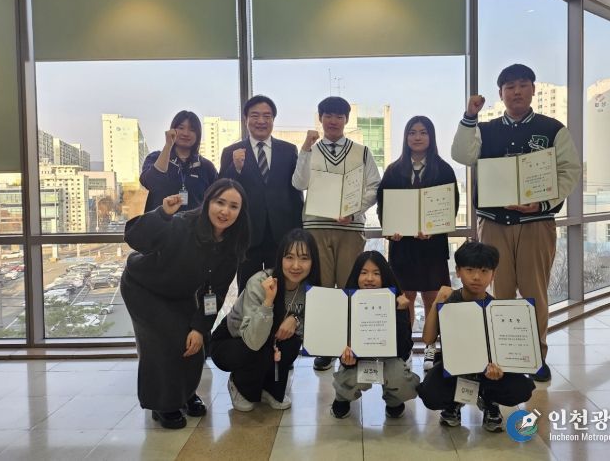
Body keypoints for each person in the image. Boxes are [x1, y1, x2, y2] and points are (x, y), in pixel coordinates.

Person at [451, 64, 581, 381]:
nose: (517, 91)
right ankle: (503, 356)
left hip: (537, 223)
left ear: (533, 89)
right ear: (501, 94)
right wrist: (469, 116)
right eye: (509, 87)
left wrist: (543, 203)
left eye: (523, 84)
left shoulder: (553, 129)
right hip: (493, 224)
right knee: (500, 293)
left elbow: (569, 171)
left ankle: (536, 356)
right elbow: (461, 155)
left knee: (535, 292)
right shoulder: (486, 129)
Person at [120, 178, 250, 429]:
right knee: (163, 342)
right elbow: (134, 237)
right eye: (220, 202)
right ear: (208, 202)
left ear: (240, 212)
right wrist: (162, 214)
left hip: (179, 293)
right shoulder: (181, 224)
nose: (225, 211)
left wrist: (200, 328)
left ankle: (185, 393)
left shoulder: (231, 247)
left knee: (193, 342)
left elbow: (216, 294)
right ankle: (163, 404)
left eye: (233, 206)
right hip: (143, 288)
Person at [292, 96, 381, 371]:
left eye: (339, 116)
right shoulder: (310, 150)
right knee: (321, 290)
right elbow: (299, 183)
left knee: (349, 287)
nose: (333, 121)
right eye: (328, 115)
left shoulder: (361, 151)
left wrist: (353, 210)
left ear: (346, 120)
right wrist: (305, 149)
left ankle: (351, 345)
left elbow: (374, 187)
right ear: (320, 118)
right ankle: (326, 347)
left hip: (350, 228)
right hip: (316, 226)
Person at [417, 241, 535, 431]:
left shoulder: (497, 309)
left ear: (493, 274)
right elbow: (428, 339)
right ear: (458, 271)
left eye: (484, 271)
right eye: (469, 270)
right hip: (454, 369)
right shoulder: (449, 302)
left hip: (488, 372)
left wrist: (501, 367)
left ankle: (490, 401)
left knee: (522, 388)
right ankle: (453, 403)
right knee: (430, 393)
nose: (477, 277)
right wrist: (437, 301)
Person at [377, 116, 459, 371]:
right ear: (406, 137)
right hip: (403, 247)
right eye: (412, 132)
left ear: (431, 137)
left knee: (433, 299)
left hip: (432, 247)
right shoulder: (393, 170)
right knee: (405, 299)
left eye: (423, 132)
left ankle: (431, 348)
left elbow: (451, 206)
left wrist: (435, 230)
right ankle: (405, 348)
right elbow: (383, 206)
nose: (417, 137)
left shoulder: (444, 170)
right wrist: (390, 231)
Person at [209, 229, 321, 411]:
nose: (296, 266)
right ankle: (238, 385)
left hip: (271, 339)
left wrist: (296, 320)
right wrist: (268, 302)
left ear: (313, 261)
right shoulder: (260, 282)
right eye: (289, 257)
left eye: (304, 258)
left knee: (290, 345)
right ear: (280, 258)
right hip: (234, 340)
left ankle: (269, 389)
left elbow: (314, 326)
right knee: (261, 350)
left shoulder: (311, 287)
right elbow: (253, 340)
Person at [219, 95, 304, 293]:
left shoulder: (288, 150)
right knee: (247, 290)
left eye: (267, 116)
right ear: (246, 119)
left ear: (273, 119)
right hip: (246, 235)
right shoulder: (231, 152)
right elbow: (221, 190)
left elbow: (296, 192)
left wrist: (298, 232)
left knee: (283, 288)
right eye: (255, 115)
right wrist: (235, 168)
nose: (261, 121)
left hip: (281, 235)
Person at [330, 251, 419, 420]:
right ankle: (342, 397)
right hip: (358, 358)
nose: (369, 278)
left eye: (376, 273)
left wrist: (401, 312)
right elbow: (338, 341)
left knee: (398, 376)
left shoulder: (398, 301)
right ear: (356, 275)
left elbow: (404, 348)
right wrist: (345, 358)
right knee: (350, 375)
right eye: (364, 272)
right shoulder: (345, 301)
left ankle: (393, 400)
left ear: (385, 276)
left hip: (390, 357)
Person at [140, 110, 218, 214]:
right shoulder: (155, 157)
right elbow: (150, 183)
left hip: (194, 223)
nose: (186, 133)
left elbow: (218, 197)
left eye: (192, 129)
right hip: (160, 223)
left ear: (198, 134)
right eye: (181, 128)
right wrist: (168, 145)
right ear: (173, 130)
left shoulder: (206, 167)